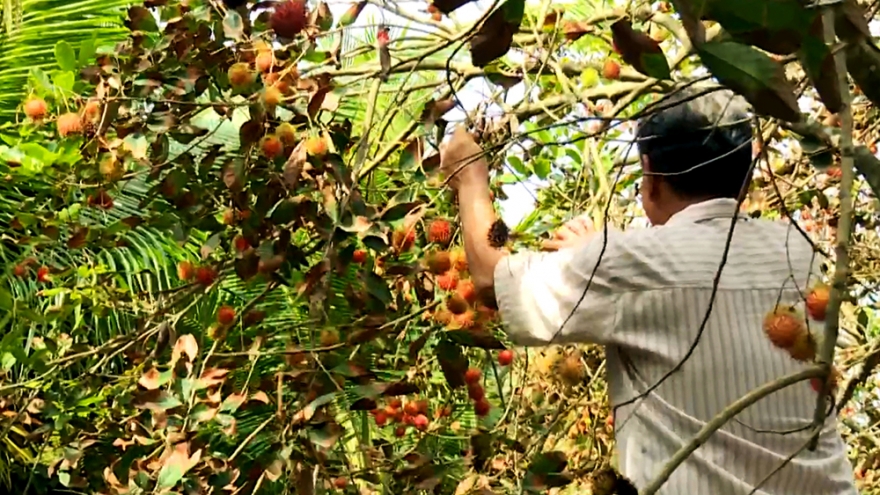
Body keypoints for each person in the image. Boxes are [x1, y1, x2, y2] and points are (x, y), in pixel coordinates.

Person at [439, 88, 857, 494]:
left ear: (650, 176)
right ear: (746, 173)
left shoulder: (627, 266)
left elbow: (492, 279)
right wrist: (599, 254)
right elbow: (686, 274)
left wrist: (471, 177)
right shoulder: (799, 250)